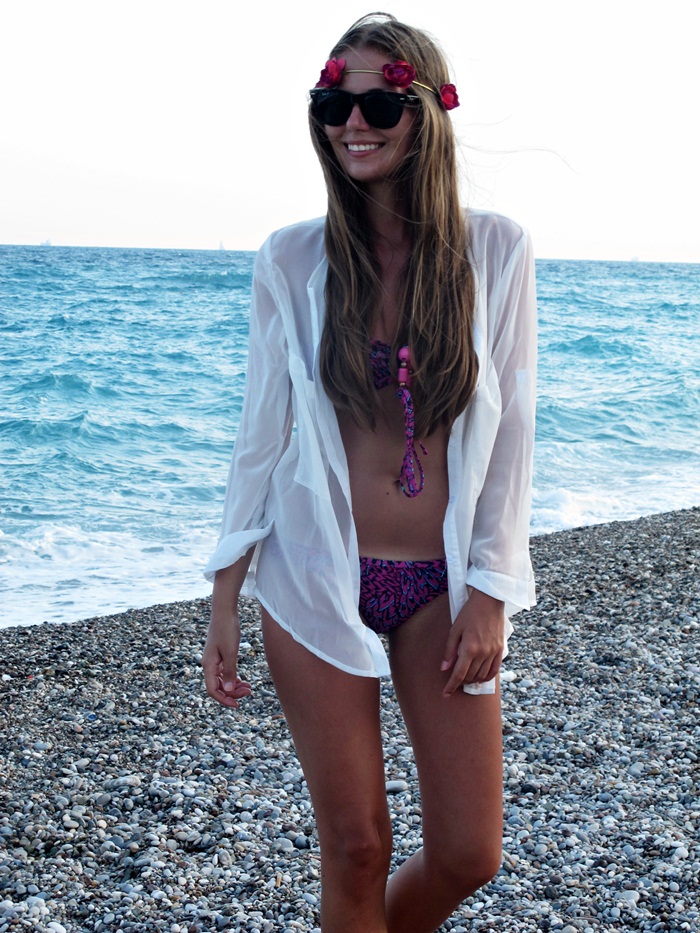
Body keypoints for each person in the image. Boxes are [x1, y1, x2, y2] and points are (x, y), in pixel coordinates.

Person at [202, 12, 536, 932]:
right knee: (356, 847)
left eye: (378, 105)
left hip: (441, 583)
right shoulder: (292, 257)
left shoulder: (495, 249)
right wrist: (225, 592)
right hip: (313, 576)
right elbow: (259, 434)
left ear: (425, 112)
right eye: (332, 103)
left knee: (469, 850)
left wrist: (492, 592)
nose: (353, 122)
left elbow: (514, 433)